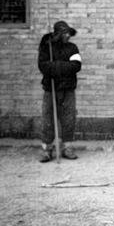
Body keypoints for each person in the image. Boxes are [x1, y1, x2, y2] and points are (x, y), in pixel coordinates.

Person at [37, 21, 82, 162]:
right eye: (65, 33)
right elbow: (43, 66)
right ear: (58, 34)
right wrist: (63, 66)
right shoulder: (47, 48)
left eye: (69, 33)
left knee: (69, 119)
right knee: (48, 120)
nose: (68, 35)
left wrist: (55, 67)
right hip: (50, 89)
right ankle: (47, 150)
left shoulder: (73, 48)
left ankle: (67, 148)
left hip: (68, 89)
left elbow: (76, 66)